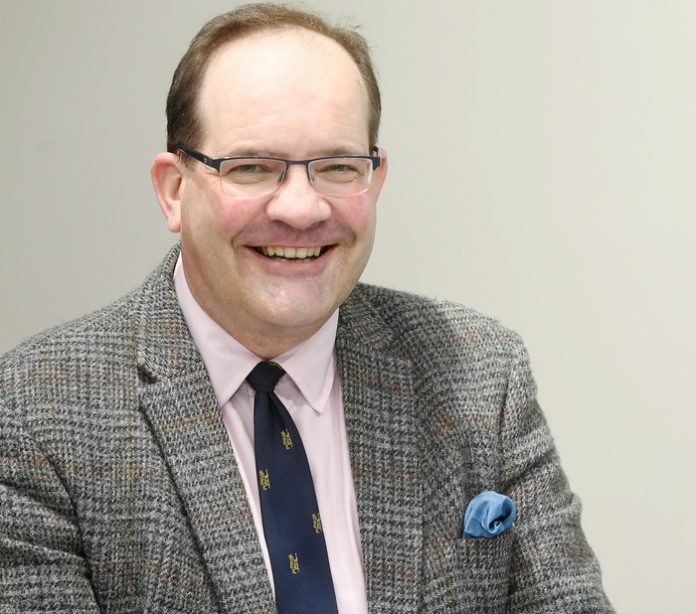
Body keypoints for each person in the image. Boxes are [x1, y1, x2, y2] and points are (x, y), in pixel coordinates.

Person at [0, 3, 614, 613]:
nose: (301, 209)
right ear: (174, 190)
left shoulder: (480, 374)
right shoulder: (36, 414)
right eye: (252, 167)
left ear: (375, 180)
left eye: (338, 167)